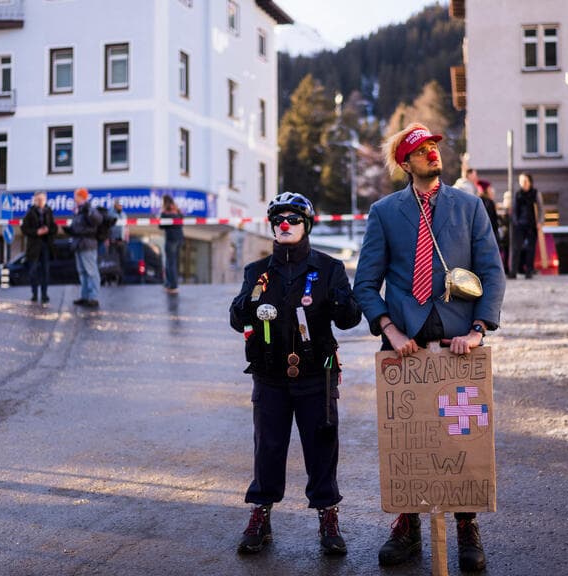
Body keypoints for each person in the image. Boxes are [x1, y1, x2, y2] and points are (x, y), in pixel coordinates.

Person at [353, 123, 505, 573]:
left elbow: (491, 273)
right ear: (405, 162)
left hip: (461, 342)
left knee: (463, 436)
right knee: (409, 438)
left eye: (435, 146)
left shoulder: (469, 205)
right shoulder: (384, 212)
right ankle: (408, 526)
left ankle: (466, 525)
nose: (433, 153)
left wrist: (478, 330)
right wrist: (391, 331)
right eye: (421, 150)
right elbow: (365, 283)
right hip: (405, 344)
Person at [229, 192, 362, 557]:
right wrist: (249, 303)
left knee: (321, 446)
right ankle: (261, 514)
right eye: (279, 220)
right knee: (268, 446)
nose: (285, 225)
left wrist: (342, 302)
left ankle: (328, 515)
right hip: (270, 376)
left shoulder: (329, 268)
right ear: (272, 227)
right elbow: (236, 318)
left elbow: (349, 320)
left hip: (316, 377)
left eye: (294, 219)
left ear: (307, 226)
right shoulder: (257, 273)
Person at [66, 187, 102, 308]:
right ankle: (85, 296)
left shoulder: (88, 209)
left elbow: (97, 220)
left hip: (87, 244)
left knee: (91, 272)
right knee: (82, 272)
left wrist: (88, 211)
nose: (74, 198)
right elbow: (77, 226)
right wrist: (70, 230)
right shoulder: (78, 211)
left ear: (81, 197)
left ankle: (93, 297)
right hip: (79, 244)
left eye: (76, 196)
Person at [20, 191, 58, 304]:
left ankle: (45, 294)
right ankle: (34, 293)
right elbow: (24, 229)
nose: (40, 201)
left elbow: (54, 228)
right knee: (33, 271)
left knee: (45, 271)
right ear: (34, 200)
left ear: (45, 200)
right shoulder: (30, 212)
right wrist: (36, 232)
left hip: (46, 245)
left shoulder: (49, 211)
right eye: (37, 199)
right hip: (34, 247)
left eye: (42, 199)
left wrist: (48, 230)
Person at [509, 172, 545, 279]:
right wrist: (515, 222)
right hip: (519, 225)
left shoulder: (535, 193)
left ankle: (529, 271)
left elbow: (541, 209)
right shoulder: (517, 194)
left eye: (525, 181)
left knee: (531, 249)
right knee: (516, 248)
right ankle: (513, 271)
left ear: (530, 182)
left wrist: (540, 222)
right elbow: (514, 210)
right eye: (521, 181)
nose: (523, 183)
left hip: (532, 225)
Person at [159, 195, 184, 293]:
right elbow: (181, 222)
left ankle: (172, 285)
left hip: (171, 239)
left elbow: (161, 226)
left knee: (170, 263)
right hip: (179, 238)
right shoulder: (177, 211)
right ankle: (170, 284)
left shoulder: (165, 212)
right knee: (174, 262)